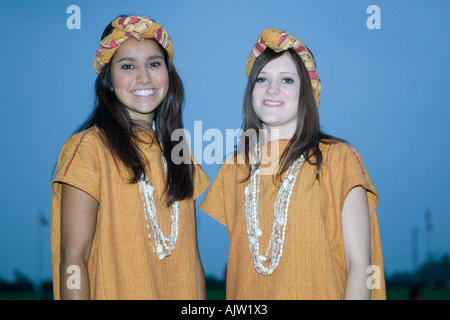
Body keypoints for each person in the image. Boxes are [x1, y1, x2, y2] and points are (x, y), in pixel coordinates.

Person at [200, 28, 386, 299]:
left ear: (307, 94)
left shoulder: (338, 158)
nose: (272, 88)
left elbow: (359, 263)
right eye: (262, 79)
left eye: (287, 80)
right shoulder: (235, 169)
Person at [51, 15, 209, 299]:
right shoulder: (89, 148)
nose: (144, 77)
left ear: (168, 74)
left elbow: (192, 260)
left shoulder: (179, 153)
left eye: (154, 63)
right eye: (127, 66)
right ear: (109, 81)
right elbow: (73, 258)